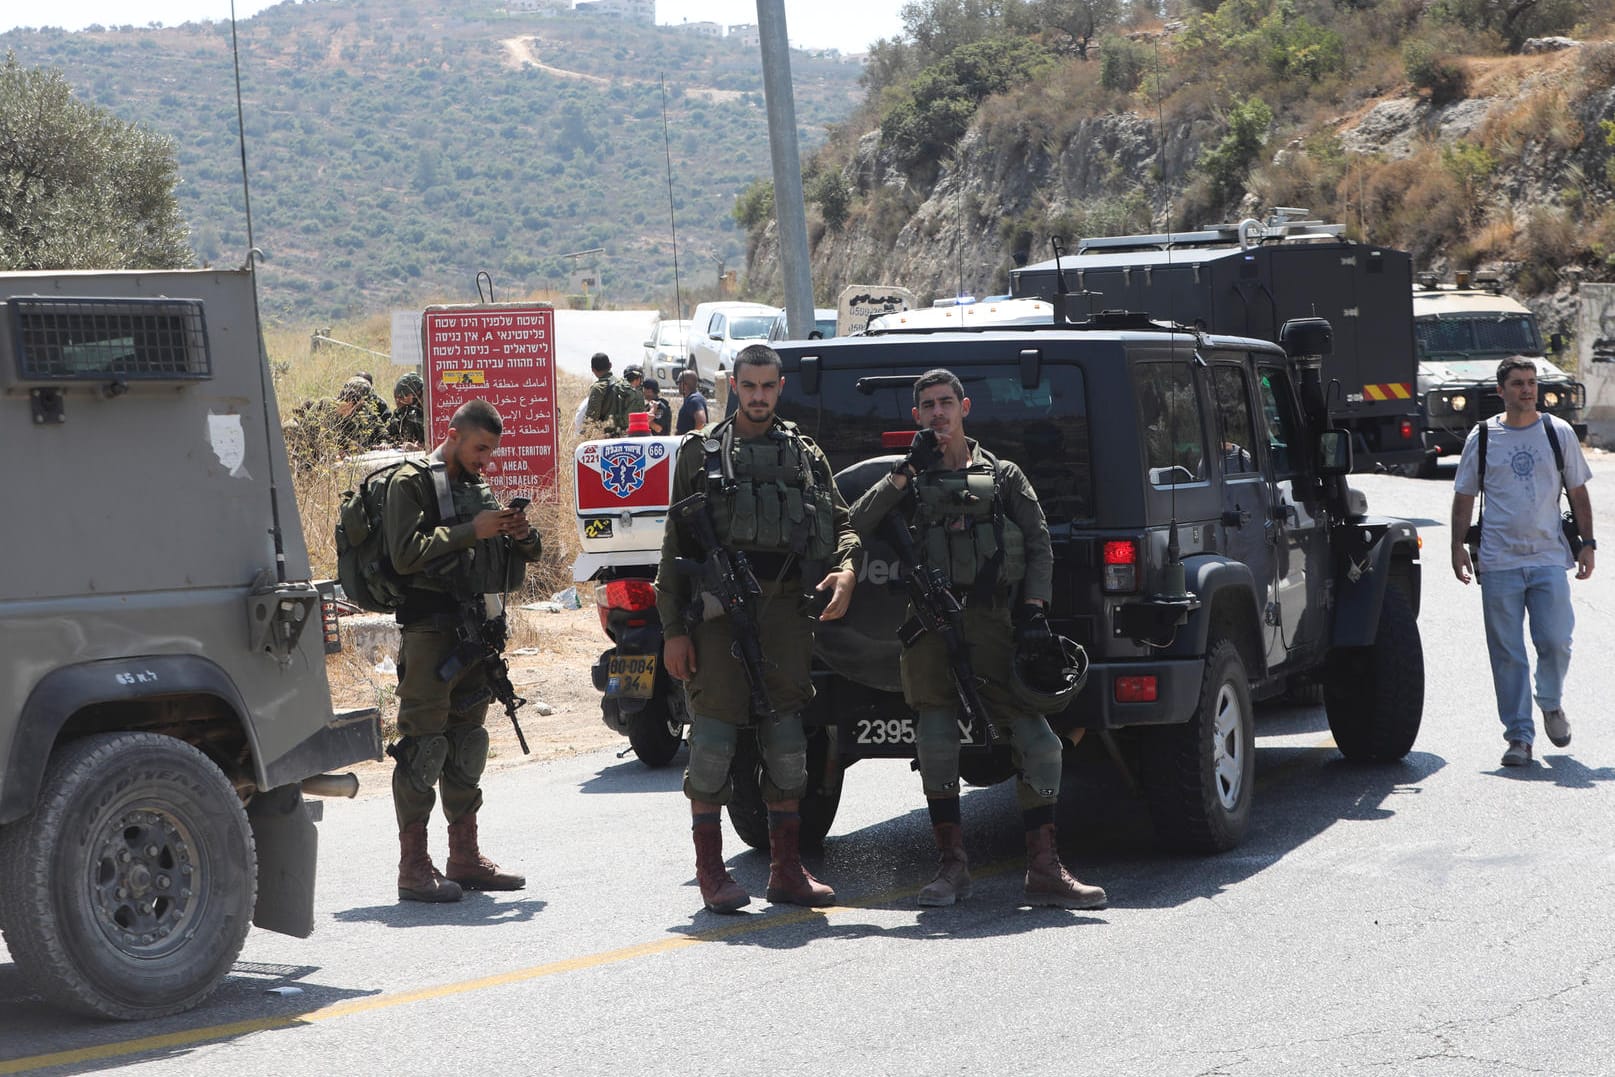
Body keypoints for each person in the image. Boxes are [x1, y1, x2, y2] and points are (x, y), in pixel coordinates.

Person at [848, 368, 1106, 910]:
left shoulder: (1005, 476)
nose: (938, 413)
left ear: (964, 407)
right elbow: (858, 519)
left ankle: (1044, 867)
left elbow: (1038, 544)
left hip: (995, 628)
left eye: (946, 403)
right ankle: (952, 867)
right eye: (927, 406)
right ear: (915, 415)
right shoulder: (911, 479)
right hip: (928, 632)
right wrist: (905, 472)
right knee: (937, 745)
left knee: (1040, 745)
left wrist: (1034, 611)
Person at [656, 344, 860, 913]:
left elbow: (842, 523)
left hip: (786, 613)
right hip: (719, 616)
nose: (759, 397)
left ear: (781, 386)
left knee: (787, 742)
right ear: (733, 384)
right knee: (715, 740)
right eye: (749, 386)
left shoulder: (803, 454)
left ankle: (786, 869)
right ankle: (711, 872)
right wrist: (673, 629)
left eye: (769, 386)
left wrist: (846, 570)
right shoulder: (702, 453)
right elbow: (675, 548)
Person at [383, 399, 543, 902]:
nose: (486, 460)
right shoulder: (409, 482)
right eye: (479, 448)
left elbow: (521, 554)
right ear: (452, 433)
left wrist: (520, 534)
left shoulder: (477, 486)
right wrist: (471, 530)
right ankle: (414, 867)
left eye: (492, 452)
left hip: (477, 633)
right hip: (431, 633)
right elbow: (405, 552)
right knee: (423, 747)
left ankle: (464, 857)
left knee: (467, 744)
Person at [1451, 355, 1595, 768]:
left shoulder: (1557, 431)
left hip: (1549, 556)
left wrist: (1589, 543)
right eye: (1517, 383)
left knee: (1555, 641)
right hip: (1499, 561)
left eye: (1531, 382)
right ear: (1501, 391)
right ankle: (1519, 736)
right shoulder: (1483, 437)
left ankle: (1550, 703)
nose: (1527, 389)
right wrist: (1457, 546)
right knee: (1508, 653)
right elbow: (1464, 497)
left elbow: (1578, 493)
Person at [332, 375, 386, 453]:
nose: (363, 402)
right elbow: (331, 435)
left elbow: (379, 426)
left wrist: (383, 441)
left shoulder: (365, 408)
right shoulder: (333, 409)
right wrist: (350, 444)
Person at [583, 352, 634, 436]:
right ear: (610, 365)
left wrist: (584, 435)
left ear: (593, 370)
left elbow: (591, 417)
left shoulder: (598, 388)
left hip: (606, 437)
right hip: (625, 435)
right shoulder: (624, 384)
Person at [390, 370, 426, 446]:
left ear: (416, 393)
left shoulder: (432, 409)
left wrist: (422, 446)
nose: (398, 400)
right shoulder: (406, 409)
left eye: (402, 396)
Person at [675, 369, 708, 435]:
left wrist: (693, 439)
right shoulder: (691, 398)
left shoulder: (694, 400)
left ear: (685, 384)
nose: (678, 386)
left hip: (689, 443)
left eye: (678, 383)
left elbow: (701, 422)